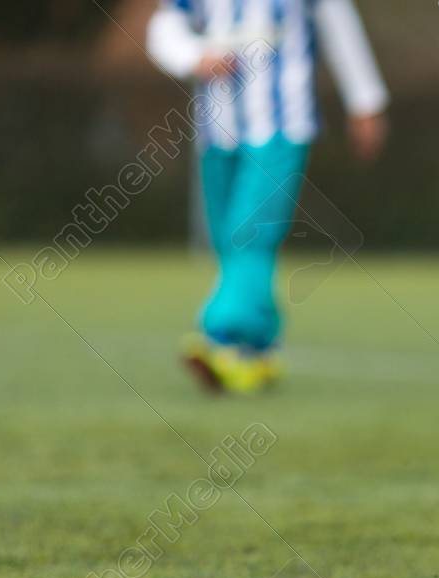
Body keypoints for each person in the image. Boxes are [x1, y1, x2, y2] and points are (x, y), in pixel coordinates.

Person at [146, 0, 389, 393]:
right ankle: (259, 350)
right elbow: (165, 26)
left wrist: (366, 101)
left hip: (282, 126)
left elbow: (340, 25)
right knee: (228, 240)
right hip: (217, 126)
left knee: (250, 233)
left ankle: (218, 337)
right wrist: (193, 56)